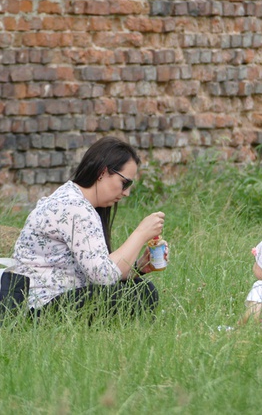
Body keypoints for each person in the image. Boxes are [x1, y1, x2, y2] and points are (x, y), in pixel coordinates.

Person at [12, 136, 167, 321]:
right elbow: (103, 277)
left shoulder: (74, 199)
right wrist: (141, 234)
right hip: (40, 309)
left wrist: (138, 268)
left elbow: (97, 271)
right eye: (125, 183)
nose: (126, 193)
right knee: (141, 294)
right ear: (103, 172)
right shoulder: (75, 207)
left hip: (47, 302)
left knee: (139, 288)